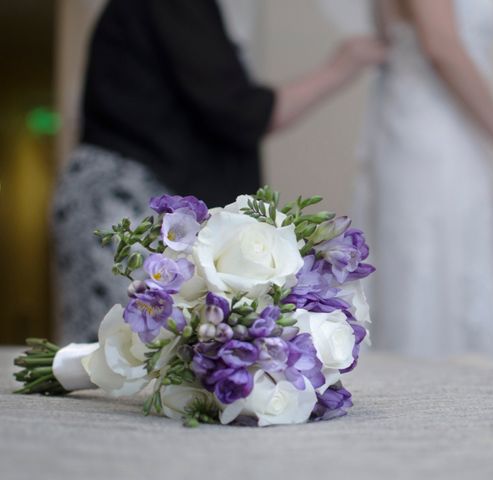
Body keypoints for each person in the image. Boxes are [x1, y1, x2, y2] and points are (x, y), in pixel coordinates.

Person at [53, 0, 386, 343]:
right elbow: (238, 113)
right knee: (116, 353)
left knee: (130, 354)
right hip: (123, 199)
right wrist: (341, 66)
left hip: (129, 190)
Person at [359, 0, 493, 357]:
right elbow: (442, 46)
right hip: (432, 141)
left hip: (437, 132)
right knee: (431, 293)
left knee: (444, 287)